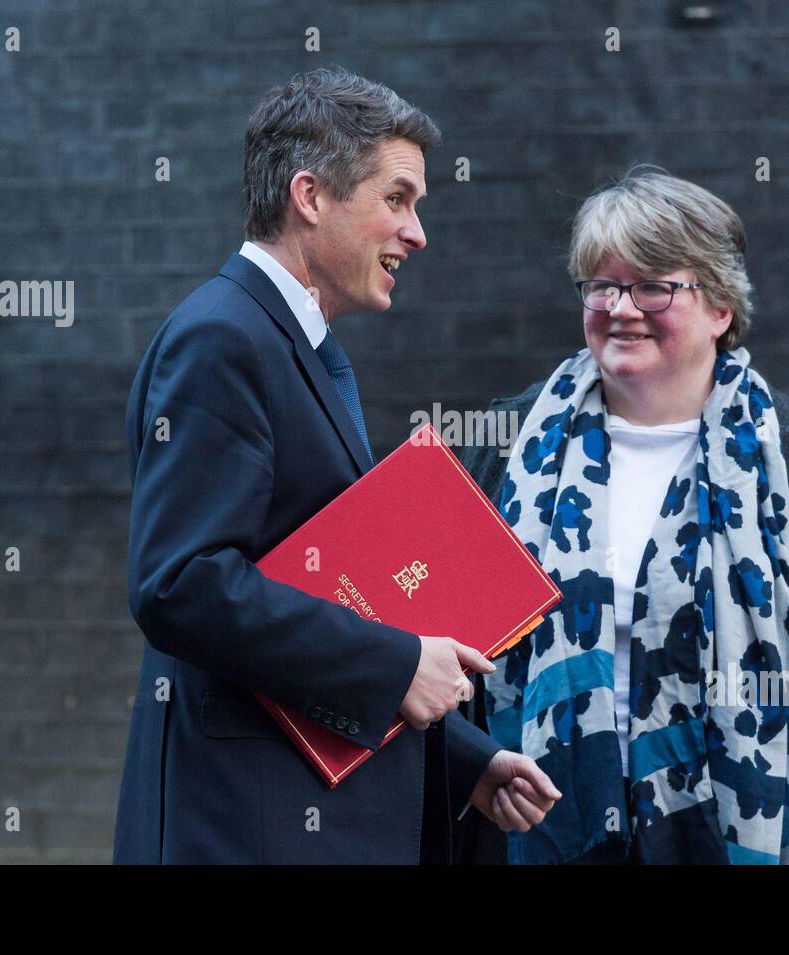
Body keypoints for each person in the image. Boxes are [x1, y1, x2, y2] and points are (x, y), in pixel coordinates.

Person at [113, 68, 559, 865]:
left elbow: (325, 591)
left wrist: (463, 756)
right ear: (310, 197)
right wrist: (396, 665)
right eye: (397, 199)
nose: (417, 232)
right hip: (251, 828)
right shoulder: (223, 339)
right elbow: (181, 582)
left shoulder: (296, 348)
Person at [455, 168, 789, 865]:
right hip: (534, 834)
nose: (621, 306)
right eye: (601, 284)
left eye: (654, 285)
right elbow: (426, 638)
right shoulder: (505, 452)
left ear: (721, 307)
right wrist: (470, 766)